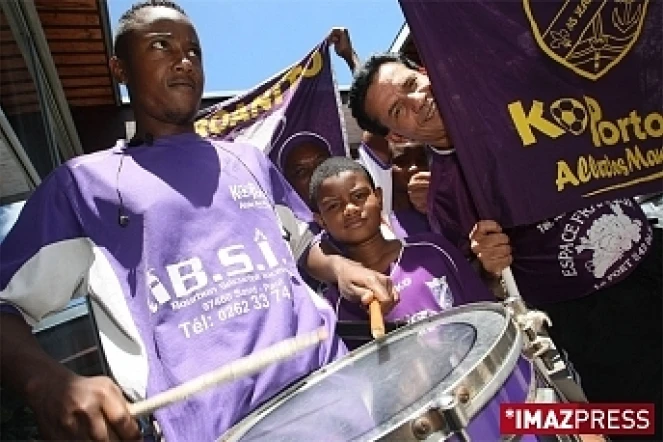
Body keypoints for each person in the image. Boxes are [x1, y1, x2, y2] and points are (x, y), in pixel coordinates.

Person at [0, 4, 398, 441]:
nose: (184, 59)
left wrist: (341, 268)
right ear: (120, 68)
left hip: (339, 392)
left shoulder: (247, 161)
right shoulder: (80, 186)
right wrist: (48, 383)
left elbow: (303, 245)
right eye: (160, 45)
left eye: (193, 50)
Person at [349, 52, 662, 440]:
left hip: (652, 252)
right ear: (398, 136)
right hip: (601, 330)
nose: (418, 101)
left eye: (412, 85)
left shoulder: (514, 100)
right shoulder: (443, 200)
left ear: (427, 72)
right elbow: (488, 290)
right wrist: (490, 264)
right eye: (399, 110)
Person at [309, 157, 494, 348]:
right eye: (333, 206)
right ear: (321, 221)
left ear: (379, 198)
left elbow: (487, 312)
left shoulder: (433, 250)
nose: (350, 209)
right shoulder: (336, 304)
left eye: (359, 196)